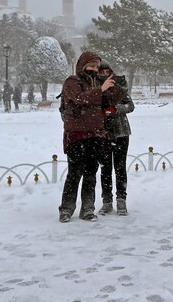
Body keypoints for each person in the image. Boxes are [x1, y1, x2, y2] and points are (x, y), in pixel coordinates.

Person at [58, 52, 125, 223]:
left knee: (90, 174)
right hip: (77, 135)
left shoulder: (97, 83)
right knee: (74, 173)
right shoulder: (72, 82)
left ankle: (87, 208)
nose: (94, 69)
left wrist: (114, 84)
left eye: (96, 66)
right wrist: (99, 90)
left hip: (95, 134)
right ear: (82, 65)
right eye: (91, 66)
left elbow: (111, 100)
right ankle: (66, 209)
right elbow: (80, 99)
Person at [97, 60, 134, 216]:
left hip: (121, 132)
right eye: (102, 73)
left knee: (120, 168)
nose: (105, 75)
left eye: (107, 72)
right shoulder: (96, 89)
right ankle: (107, 201)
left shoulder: (119, 86)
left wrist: (116, 109)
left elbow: (130, 106)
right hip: (103, 133)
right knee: (105, 168)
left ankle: (121, 199)